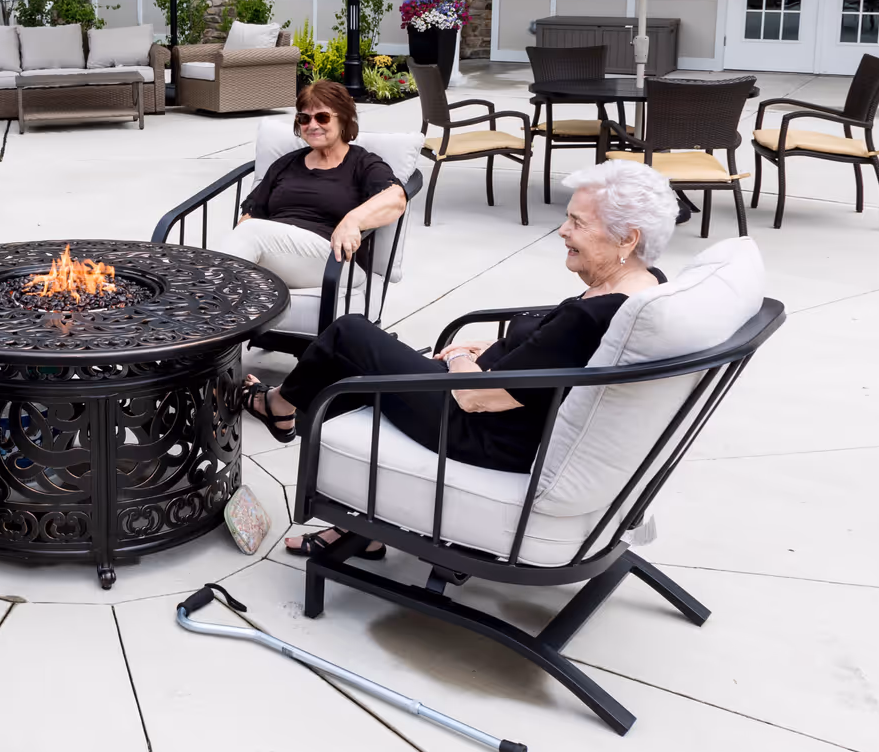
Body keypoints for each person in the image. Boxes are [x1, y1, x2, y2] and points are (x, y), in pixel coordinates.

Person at [244, 159, 677, 559]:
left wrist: (456, 359)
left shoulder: (593, 315)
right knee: (366, 359)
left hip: (478, 429)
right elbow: (549, 359)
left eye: (577, 222)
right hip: (508, 413)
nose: (562, 231)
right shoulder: (646, 287)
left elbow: (475, 398)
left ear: (628, 238)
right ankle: (363, 525)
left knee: (348, 335)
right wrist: (491, 352)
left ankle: (279, 408)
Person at [226, 79, 410, 286]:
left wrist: (353, 220)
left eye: (322, 117)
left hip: (334, 260)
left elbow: (396, 198)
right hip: (279, 255)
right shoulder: (286, 164)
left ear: (343, 120)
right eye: (304, 118)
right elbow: (251, 215)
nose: (312, 125)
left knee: (250, 233)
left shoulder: (361, 162)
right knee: (237, 246)